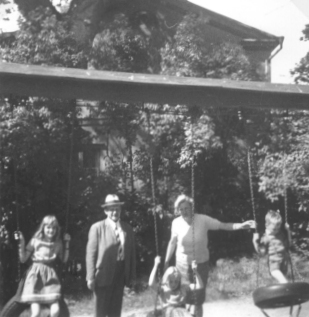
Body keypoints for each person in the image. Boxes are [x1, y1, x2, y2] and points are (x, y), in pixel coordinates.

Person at [164, 194, 255, 317]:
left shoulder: (203, 220)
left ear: (192, 207)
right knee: (184, 298)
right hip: (182, 266)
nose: (184, 211)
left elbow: (222, 225)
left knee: (198, 299)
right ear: (178, 210)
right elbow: (172, 242)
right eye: (181, 209)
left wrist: (241, 225)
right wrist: (166, 261)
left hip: (201, 265)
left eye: (186, 208)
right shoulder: (176, 223)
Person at [86, 194, 136, 317]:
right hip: (103, 275)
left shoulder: (127, 228)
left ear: (121, 210)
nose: (115, 212)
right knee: (101, 312)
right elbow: (90, 254)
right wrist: (90, 277)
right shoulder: (97, 228)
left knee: (115, 311)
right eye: (111, 209)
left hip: (120, 273)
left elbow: (132, 254)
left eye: (117, 208)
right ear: (106, 211)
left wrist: (131, 276)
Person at [15, 215, 71, 317]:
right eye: (48, 227)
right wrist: (21, 242)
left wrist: (67, 243)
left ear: (57, 229)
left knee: (55, 311)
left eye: (54, 228)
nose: (51, 230)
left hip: (50, 277)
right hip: (35, 277)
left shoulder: (58, 243)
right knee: (36, 313)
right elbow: (23, 259)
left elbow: (64, 260)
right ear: (43, 228)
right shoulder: (35, 240)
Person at [252, 209, 291, 283]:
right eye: (274, 229)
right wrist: (254, 242)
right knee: (285, 282)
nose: (276, 230)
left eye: (278, 228)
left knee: (283, 285)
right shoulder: (265, 238)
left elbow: (289, 244)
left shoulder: (280, 235)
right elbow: (261, 253)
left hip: (284, 263)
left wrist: (288, 231)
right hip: (274, 265)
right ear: (267, 225)